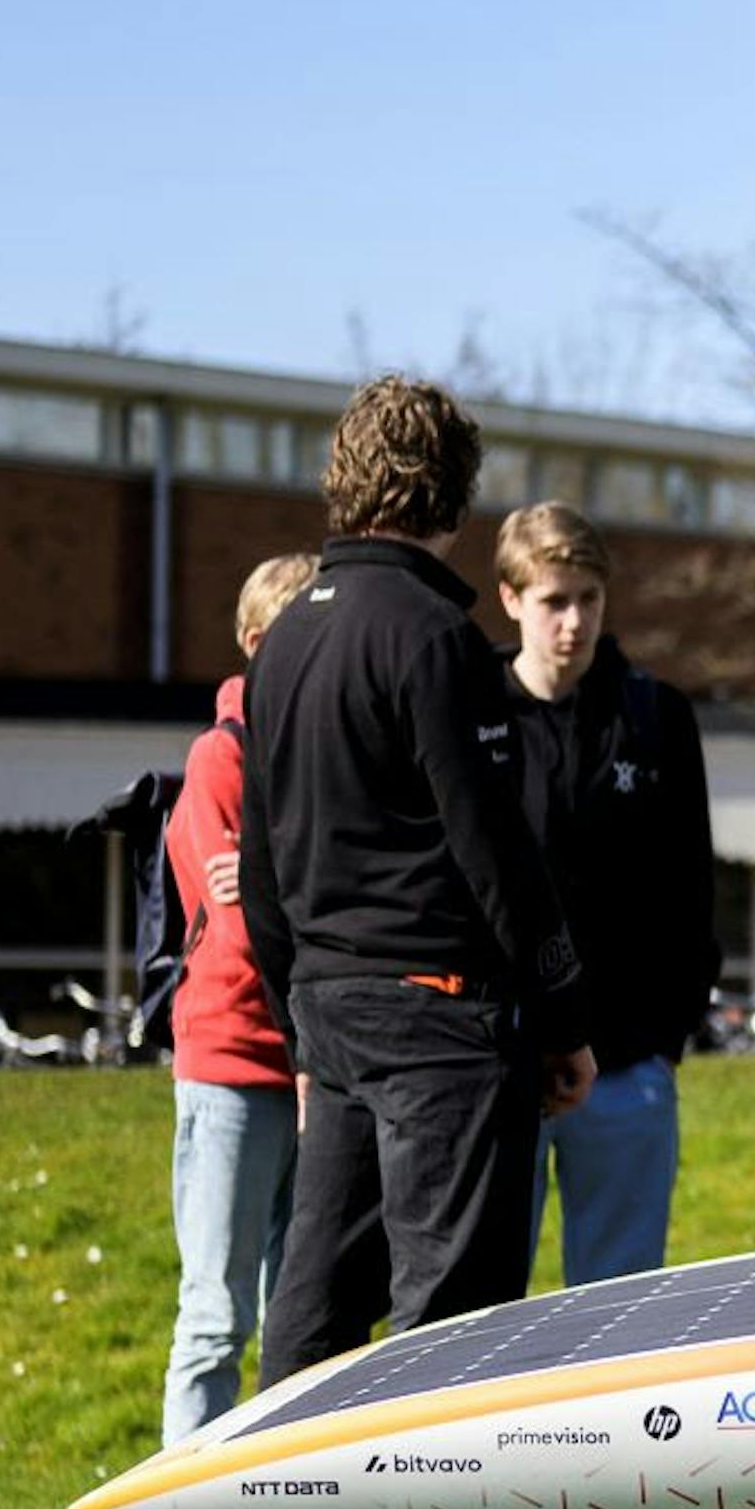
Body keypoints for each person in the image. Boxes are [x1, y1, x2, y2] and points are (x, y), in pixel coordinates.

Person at [241, 373, 593, 1392]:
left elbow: (262, 860)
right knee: (455, 1329)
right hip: (438, 1019)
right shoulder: (432, 636)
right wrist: (563, 1012)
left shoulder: (289, 632)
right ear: (454, 494)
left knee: (313, 1307)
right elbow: (494, 850)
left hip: (331, 1006)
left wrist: (299, 1017)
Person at [135, 549, 316, 1509]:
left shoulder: (325, 751)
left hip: (314, 1066)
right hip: (237, 1062)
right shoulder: (222, 756)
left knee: (304, 1318)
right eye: (298, 633)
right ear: (256, 644)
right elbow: (242, 918)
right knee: (215, 1316)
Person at [494, 502, 716, 1284]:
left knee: (620, 1320)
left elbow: (694, 888)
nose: (574, 621)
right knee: (478, 1323)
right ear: (511, 598)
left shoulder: (655, 718)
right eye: (555, 600)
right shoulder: (465, 711)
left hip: (626, 1067)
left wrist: (666, 1038)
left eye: (589, 598)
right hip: (496, 1065)